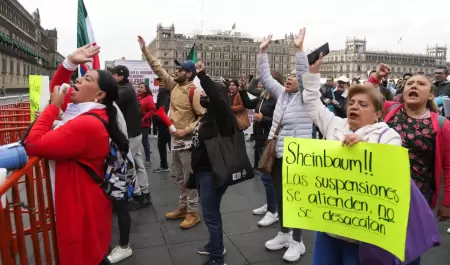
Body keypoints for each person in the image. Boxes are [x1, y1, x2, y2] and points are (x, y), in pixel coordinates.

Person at [24, 44, 128, 265]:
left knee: (83, 256)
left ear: (99, 94)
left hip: (78, 207)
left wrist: (51, 109)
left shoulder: (87, 124)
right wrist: (69, 62)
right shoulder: (92, 112)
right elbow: (58, 89)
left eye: (87, 79)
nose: (77, 80)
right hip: (86, 202)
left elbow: (32, 145)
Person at [302, 54, 402, 265]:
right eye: (352, 103)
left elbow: (390, 174)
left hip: (362, 236)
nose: (354, 107)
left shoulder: (389, 136)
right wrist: (312, 73)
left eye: (363, 104)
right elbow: (312, 102)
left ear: (377, 114)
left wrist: (363, 147)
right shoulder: (335, 125)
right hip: (329, 227)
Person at [369, 66, 450, 265]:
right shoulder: (389, 110)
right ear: (403, 91)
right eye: (410, 83)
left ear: (430, 94)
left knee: (409, 250)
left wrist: (447, 202)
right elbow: (366, 95)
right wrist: (376, 78)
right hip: (381, 191)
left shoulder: (441, 124)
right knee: (378, 246)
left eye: (421, 84)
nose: (413, 86)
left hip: (417, 196)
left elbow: (449, 165)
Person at [138, 35, 205, 229]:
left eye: (180, 69)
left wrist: (186, 129)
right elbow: (158, 67)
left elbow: (203, 117)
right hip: (176, 142)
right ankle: (183, 208)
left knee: (189, 179)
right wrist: (145, 51)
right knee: (180, 178)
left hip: (188, 143)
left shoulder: (194, 92)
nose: (176, 71)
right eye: (176, 69)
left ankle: (193, 212)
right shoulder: (175, 85)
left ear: (189, 74)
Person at [257, 28, 310, 262]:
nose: (289, 77)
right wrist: (262, 52)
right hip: (279, 154)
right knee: (280, 197)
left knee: (296, 198)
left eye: (294, 76)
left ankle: (298, 242)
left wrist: (299, 50)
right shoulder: (283, 95)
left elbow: (304, 74)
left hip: (297, 156)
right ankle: (284, 234)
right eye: (287, 75)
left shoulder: (307, 97)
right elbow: (266, 78)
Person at [192, 61, 235, 265]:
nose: (202, 96)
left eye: (206, 94)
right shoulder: (209, 114)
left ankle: (218, 259)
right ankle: (214, 245)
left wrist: (202, 76)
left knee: (211, 215)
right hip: (202, 171)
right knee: (210, 211)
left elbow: (217, 99)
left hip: (213, 173)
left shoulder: (223, 114)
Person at [110, 65, 151, 210]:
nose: (111, 76)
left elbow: (109, 102)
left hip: (131, 134)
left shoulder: (125, 91)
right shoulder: (126, 88)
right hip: (134, 132)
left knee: (128, 165)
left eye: (112, 74)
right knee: (138, 163)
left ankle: (138, 195)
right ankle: (144, 192)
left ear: (120, 77)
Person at [239, 77, 278, 227]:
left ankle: (273, 211)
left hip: (269, 140)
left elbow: (278, 119)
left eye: (266, 83)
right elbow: (248, 104)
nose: (262, 84)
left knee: (268, 177)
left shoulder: (275, 100)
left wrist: (264, 118)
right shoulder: (263, 97)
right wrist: (242, 89)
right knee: (263, 175)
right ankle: (269, 204)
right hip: (260, 138)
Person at [153, 78, 171, 173]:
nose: (160, 83)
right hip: (162, 124)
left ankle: (174, 168)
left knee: (171, 146)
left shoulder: (167, 92)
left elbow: (165, 108)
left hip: (167, 124)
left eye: (162, 81)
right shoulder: (161, 92)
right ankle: (164, 165)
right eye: (159, 81)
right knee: (162, 145)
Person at [137, 82, 156, 166]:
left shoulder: (149, 98)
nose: (139, 88)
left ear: (145, 89)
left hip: (144, 124)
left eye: (141, 87)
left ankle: (148, 160)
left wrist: (144, 117)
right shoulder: (137, 97)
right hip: (136, 124)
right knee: (136, 142)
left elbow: (152, 110)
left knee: (145, 142)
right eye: (138, 87)